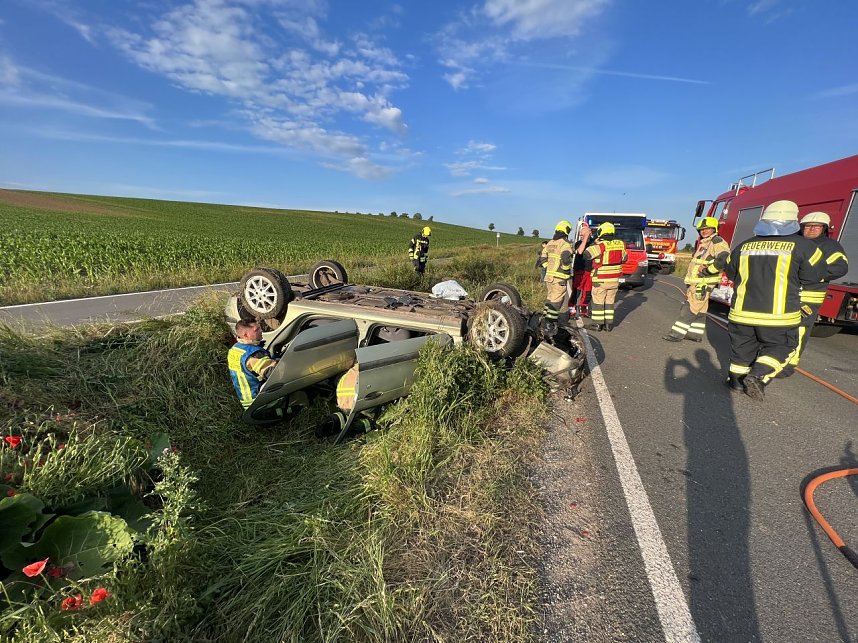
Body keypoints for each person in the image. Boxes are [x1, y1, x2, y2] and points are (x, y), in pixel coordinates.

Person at [724, 200, 825, 400]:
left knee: (742, 350)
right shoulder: (806, 246)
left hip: (741, 313)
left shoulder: (743, 245)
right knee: (782, 347)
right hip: (779, 316)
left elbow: (730, 272)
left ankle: (736, 382)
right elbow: (814, 276)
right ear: (793, 220)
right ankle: (758, 375)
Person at [783, 211, 848, 373]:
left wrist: (812, 275)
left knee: (799, 329)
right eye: (808, 226)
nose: (811, 229)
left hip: (808, 298)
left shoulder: (829, 246)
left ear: (824, 229)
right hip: (784, 294)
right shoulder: (793, 242)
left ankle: (789, 364)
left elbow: (840, 267)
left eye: (816, 226)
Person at [662, 217, 730, 342]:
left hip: (703, 282)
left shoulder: (717, 242)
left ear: (714, 229)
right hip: (698, 282)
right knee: (700, 309)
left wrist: (708, 271)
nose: (704, 231)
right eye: (702, 229)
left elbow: (724, 259)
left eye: (707, 229)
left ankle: (676, 334)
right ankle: (694, 335)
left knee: (689, 308)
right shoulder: (705, 243)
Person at [583, 222, 627, 332]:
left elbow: (586, 255)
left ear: (601, 232)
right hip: (614, 280)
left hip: (601, 279)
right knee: (609, 302)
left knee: (598, 302)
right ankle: (608, 325)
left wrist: (594, 243)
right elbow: (625, 259)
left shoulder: (601, 245)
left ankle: (597, 324)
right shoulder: (621, 244)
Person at [228, 320, 279, 408]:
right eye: (257, 329)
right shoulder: (254, 354)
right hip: (261, 402)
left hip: (247, 402)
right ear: (246, 335)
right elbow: (273, 374)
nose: (261, 330)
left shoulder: (235, 349)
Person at [540, 220, 574, 336]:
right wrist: (566, 270)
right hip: (559, 278)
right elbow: (566, 257)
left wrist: (547, 268)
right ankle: (549, 325)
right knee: (556, 302)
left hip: (549, 277)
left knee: (550, 299)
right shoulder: (565, 244)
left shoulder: (550, 243)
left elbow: (542, 257)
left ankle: (545, 320)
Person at [570, 223, 594, 318]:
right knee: (576, 292)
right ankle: (572, 310)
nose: (582, 234)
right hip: (579, 270)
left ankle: (583, 310)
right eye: (582, 232)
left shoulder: (593, 243)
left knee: (587, 293)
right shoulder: (578, 243)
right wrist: (585, 237)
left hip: (590, 271)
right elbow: (580, 251)